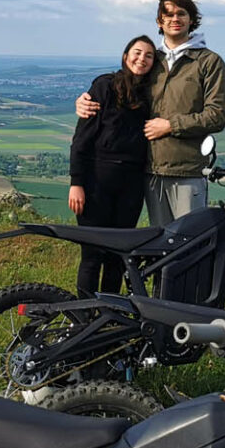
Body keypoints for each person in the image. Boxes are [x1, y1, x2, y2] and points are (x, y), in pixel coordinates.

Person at [76, 0, 225, 226]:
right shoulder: (152, 60)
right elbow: (122, 88)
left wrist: (170, 126)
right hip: (148, 170)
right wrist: (87, 99)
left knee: (188, 246)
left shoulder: (208, 62)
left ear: (191, 19)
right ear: (160, 20)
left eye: (181, 13)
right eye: (167, 14)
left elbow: (217, 115)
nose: (174, 19)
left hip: (186, 171)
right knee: (160, 245)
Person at [68, 35, 157, 296]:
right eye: (137, 52)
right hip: (96, 182)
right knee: (92, 255)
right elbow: (81, 138)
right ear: (125, 55)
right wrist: (76, 183)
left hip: (131, 186)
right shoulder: (105, 86)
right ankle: (82, 318)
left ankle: (109, 315)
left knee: (118, 256)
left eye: (149, 55)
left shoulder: (152, 94)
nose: (142, 59)